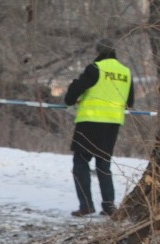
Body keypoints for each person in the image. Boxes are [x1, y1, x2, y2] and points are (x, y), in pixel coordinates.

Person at [64, 37, 134, 217]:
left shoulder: (95, 69)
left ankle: (86, 205)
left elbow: (72, 95)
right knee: (103, 165)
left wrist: (73, 91)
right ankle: (109, 206)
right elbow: (130, 102)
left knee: (80, 163)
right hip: (112, 125)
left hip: (90, 122)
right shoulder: (126, 72)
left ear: (98, 52)